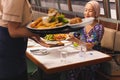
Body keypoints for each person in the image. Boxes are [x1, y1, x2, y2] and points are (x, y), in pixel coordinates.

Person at [0, 0, 41, 80]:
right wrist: (38, 31)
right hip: (8, 49)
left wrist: (32, 35)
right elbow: (13, 32)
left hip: (10, 47)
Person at [63, 0, 104, 80]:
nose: (87, 13)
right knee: (66, 63)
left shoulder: (98, 28)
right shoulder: (82, 25)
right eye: (85, 10)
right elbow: (72, 34)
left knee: (73, 66)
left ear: (96, 13)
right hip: (81, 54)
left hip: (93, 57)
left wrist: (75, 40)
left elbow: (90, 46)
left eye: (90, 11)